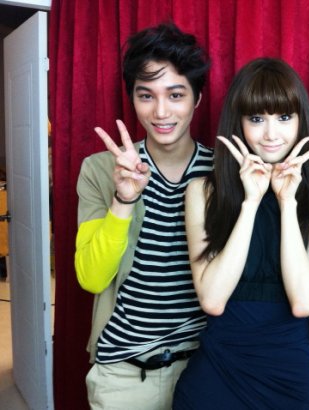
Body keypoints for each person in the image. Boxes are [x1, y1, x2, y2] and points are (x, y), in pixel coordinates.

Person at [172, 58, 309, 409]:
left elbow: (303, 302)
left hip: (288, 378)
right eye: (257, 119)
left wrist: (287, 202)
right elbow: (212, 300)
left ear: (301, 121)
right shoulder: (202, 192)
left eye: (284, 117)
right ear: (239, 122)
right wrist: (250, 202)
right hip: (216, 378)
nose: (271, 134)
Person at [74, 23, 213, 410]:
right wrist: (124, 198)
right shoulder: (100, 169)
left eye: (176, 94)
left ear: (197, 99)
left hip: (206, 368)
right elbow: (91, 277)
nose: (161, 111)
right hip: (123, 375)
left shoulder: (224, 172)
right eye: (146, 95)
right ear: (133, 99)